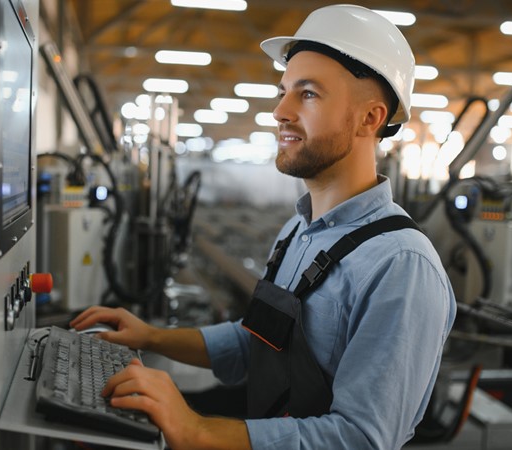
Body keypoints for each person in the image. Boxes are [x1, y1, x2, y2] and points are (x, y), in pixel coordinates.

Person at [70, 4, 456, 449]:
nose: (280, 111)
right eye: (283, 91)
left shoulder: (400, 266)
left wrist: (195, 430)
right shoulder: (297, 231)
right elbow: (255, 342)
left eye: (308, 94)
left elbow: (360, 439)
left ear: (370, 118)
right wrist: (152, 337)